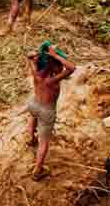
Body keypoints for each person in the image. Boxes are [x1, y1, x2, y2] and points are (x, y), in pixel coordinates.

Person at [25, 42, 76, 181]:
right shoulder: (52, 80)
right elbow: (71, 68)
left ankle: (30, 138)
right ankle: (38, 170)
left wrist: (33, 57)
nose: (61, 68)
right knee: (44, 142)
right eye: (58, 66)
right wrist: (54, 55)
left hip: (34, 104)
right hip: (46, 112)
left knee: (32, 115)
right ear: (52, 65)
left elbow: (29, 57)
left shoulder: (36, 72)